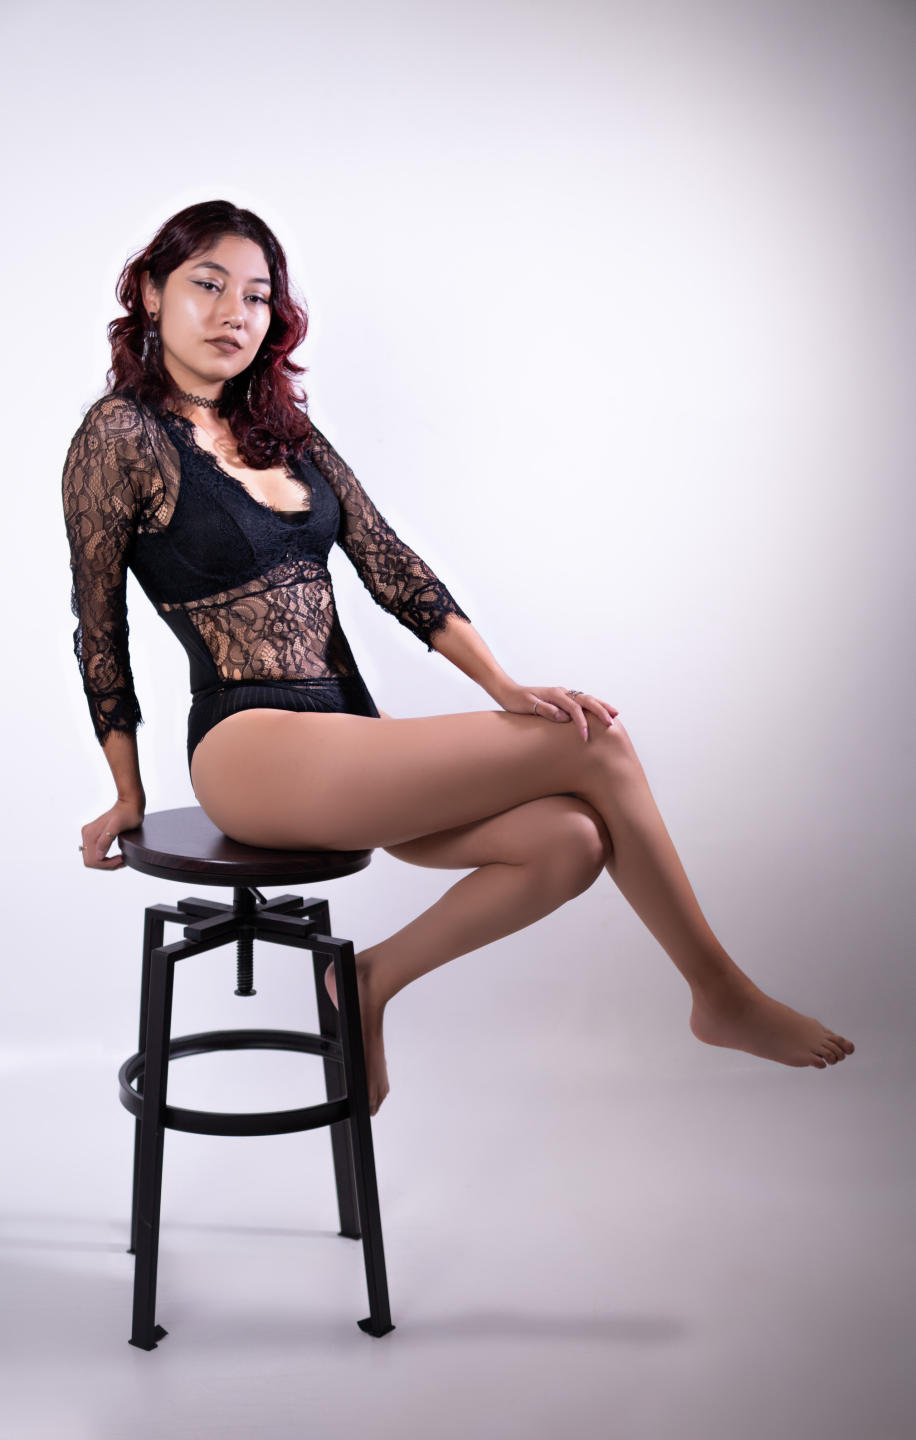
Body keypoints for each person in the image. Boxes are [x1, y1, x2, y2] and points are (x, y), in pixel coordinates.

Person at [62, 199, 854, 1116]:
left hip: (347, 741)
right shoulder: (119, 436)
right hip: (249, 749)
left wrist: (505, 687)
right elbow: (99, 625)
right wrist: (126, 791)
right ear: (150, 292)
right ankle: (721, 994)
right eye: (208, 285)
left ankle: (367, 981)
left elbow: (392, 566)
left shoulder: (286, 432)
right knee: (594, 742)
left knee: (570, 842)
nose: (234, 313)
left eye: (257, 295)